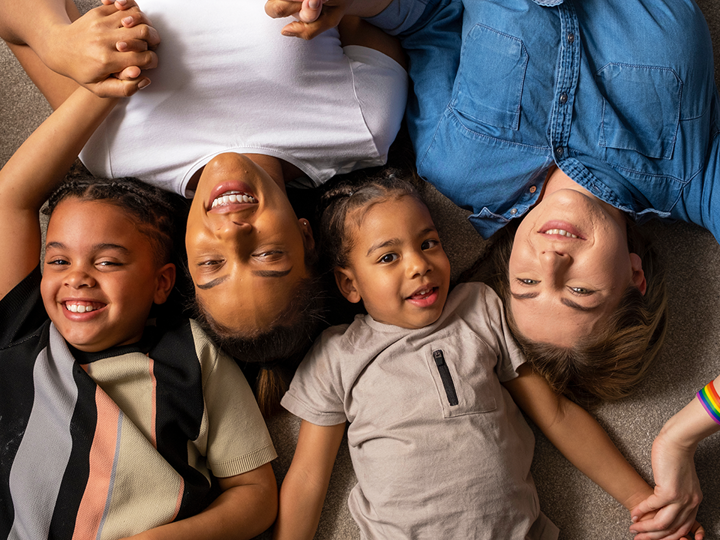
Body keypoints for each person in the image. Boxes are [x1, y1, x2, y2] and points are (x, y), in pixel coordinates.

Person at [0, 0, 408, 413]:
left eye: (212, 264)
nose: (233, 231)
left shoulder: (111, 149)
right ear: (306, 236)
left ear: (186, 257)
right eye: (267, 254)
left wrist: (56, 41)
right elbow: (391, 11)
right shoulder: (362, 126)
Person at [272, 173, 703, 540]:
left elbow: (556, 415)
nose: (419, 265)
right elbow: (310, 476)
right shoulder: (338, 354)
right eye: (389, 256)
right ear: (350, 285)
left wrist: (642, 501)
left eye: (429, 243)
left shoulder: (478, 308)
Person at [0, 85, 278, 539]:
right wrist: (99, 87)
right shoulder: (22, 328)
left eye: (107, 261)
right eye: (58, 260)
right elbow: (12, 195)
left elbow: (256, 493)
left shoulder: (192, 355)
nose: (77, 277)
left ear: (162, 282)